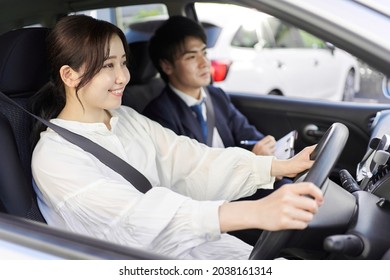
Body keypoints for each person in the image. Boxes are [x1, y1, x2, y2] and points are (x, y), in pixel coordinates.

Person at [31, 14, 323, 260]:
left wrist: (277, 166)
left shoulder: (127, 119)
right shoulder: (55, 158)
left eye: (123, 62)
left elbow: (192, 160)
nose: (123, 77)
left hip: (196, 246)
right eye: (108, 66)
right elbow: (133, 220)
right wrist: (254, 212)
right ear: (69, 76)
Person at [143, 15, 278, 157]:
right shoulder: (159, 116)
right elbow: (188, 173)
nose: (205, 63)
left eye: (204, 53)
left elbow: (248, 135)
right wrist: (253, 160)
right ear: (167, 66)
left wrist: (266, 148)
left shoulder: (216, 96)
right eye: (191, 57)